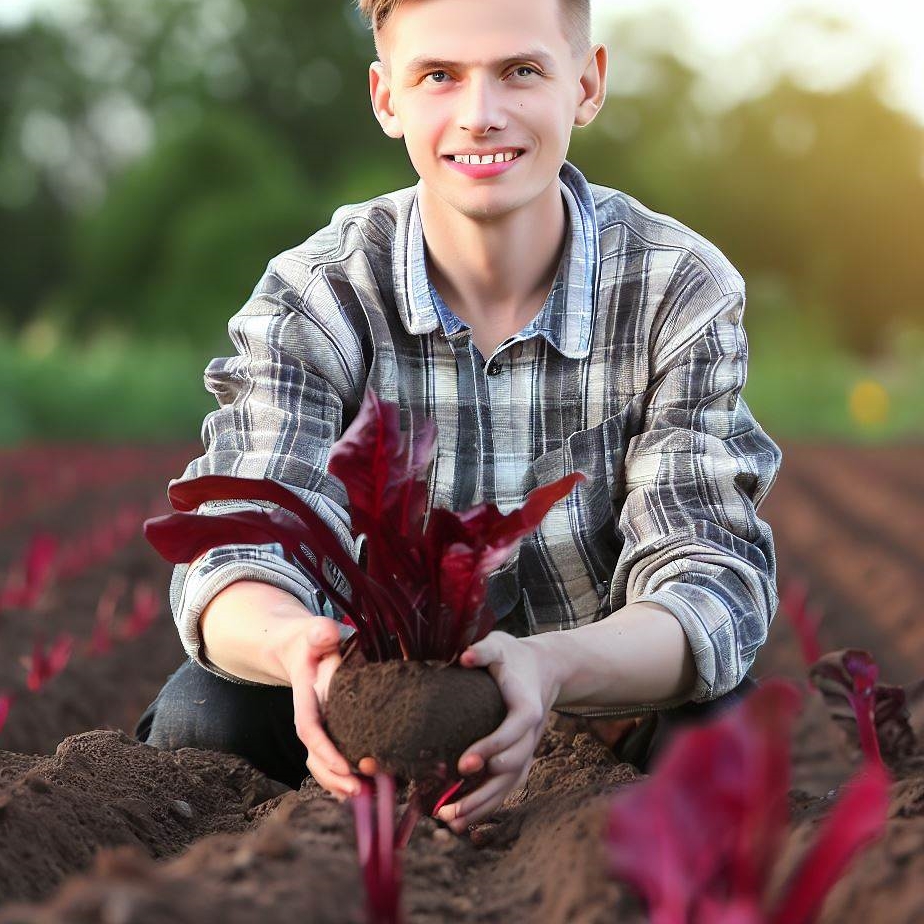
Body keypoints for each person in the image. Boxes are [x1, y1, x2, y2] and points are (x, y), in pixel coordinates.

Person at [134, 0, 781, 835]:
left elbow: (706, 575)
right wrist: (305, 653)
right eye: (438, 75)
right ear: (386, 97)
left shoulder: (676, 290)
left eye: (521, 71)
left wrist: (547, 671)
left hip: (597, 697)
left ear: (586, 84)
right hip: (368, 699)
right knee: (204, 724)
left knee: (730, 750)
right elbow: (243, 530)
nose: (480, 115)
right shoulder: (318, 293)